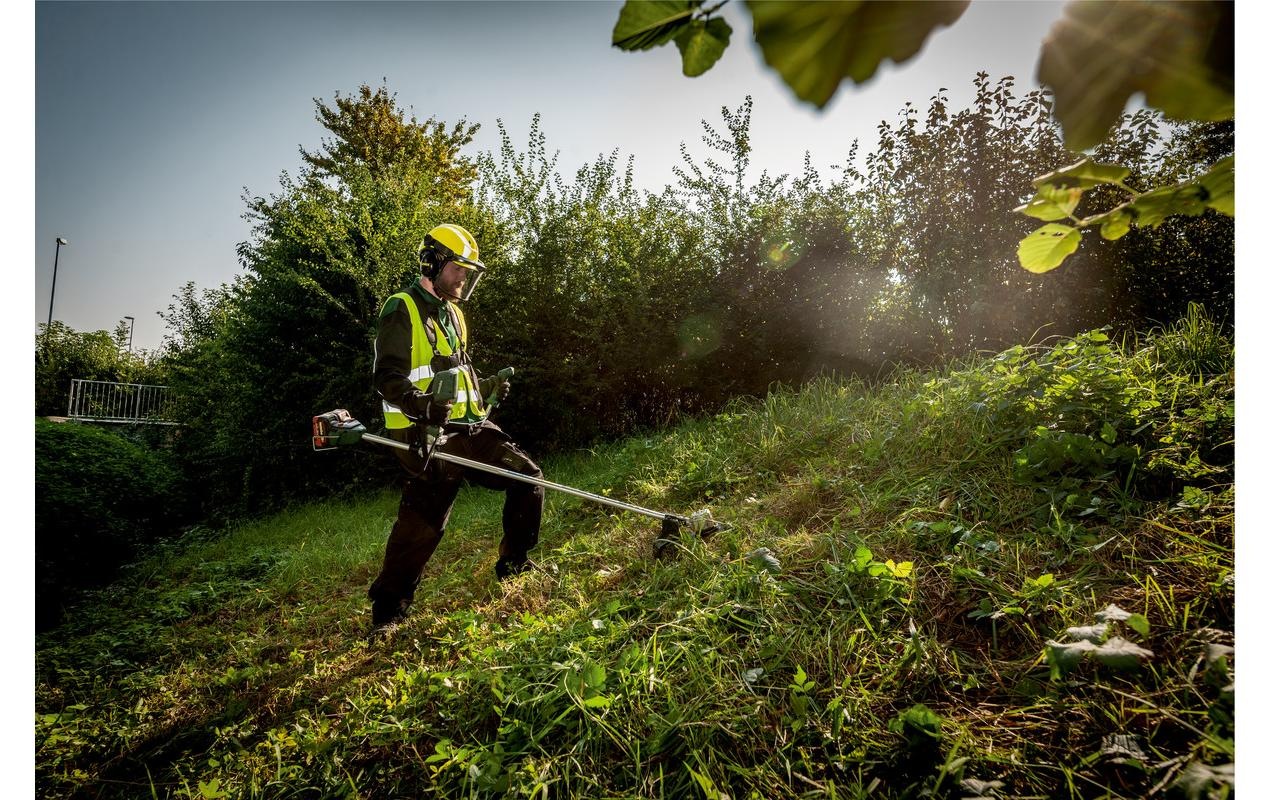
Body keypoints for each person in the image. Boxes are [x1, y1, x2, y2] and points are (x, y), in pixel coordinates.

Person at [368, 223, 544, 634]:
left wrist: (486, 388)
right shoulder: (402, 307)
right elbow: (387, 377)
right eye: (459, 269)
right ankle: (388, 611)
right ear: (434, 263)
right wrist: (422, 405)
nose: (464, 278)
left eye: (468, 271)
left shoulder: (455, 315)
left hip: (468, 426)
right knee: (423, 524)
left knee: (528, 477)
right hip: (423, 432)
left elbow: (455, 372)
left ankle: (514, 566)